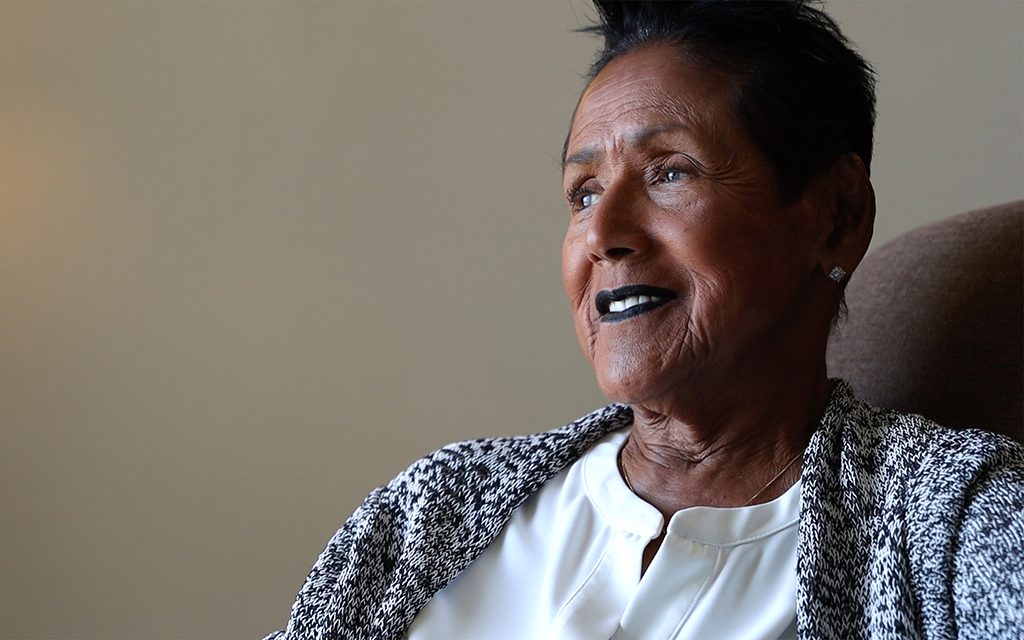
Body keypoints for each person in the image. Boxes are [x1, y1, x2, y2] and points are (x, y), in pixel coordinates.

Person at [266, 2, 1024, 638]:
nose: (602, 235)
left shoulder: (960, 525)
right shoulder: (431, 509)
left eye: (670, 172)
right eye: (584, 192)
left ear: (835, 217)